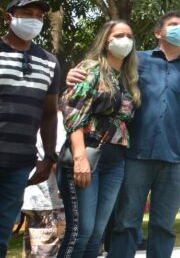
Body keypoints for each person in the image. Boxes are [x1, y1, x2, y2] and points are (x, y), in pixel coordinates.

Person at [66, 11, 180, 258]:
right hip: (134, 155)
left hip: (176, 159)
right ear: (158, 33)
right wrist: (73, 74)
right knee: (126, 224)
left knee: (164, 227)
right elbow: (100, 78)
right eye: (173, 25)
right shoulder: (136, 61)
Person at [57, 20, 140, 258]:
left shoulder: (128, 77)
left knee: (97, 234)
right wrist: (79, 158)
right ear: (106, 40)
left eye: (129, 35)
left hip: (115, 161)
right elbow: (73, 114)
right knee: (81, 232)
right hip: (86, 156)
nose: (125, 40)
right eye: (119, 34)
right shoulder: (90, 69)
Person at [1, 0, 60, 258]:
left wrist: (48, 156)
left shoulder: (49, 62)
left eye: (39, 15)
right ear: (8, 17)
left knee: (3, 232)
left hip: (20, 164)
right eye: (26, 13)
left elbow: (49, 114)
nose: (33, 19)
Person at [21, 110, 66, 258]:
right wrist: (66, 188)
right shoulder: (58, 119)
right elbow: (56, 160)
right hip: (50, 201)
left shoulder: (40, 117)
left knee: (34, 252)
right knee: (47, 251)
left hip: (36, 198)